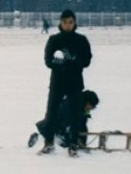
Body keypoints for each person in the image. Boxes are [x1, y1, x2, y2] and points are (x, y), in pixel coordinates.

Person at [35, 9, 92, 154]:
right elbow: (48, 61)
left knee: (75, 115)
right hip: (57, 83)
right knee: (51, 113)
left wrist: (73, 60)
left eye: (70, 22)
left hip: (74, 83)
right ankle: (49, 143)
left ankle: (73, 144)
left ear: (74, 23)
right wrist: (59, 62)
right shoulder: (54, 40)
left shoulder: (81, 40)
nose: (68, 25)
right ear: (61, 23)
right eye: (65, 22)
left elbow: (86, 61)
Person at [30, 90, 99, 155]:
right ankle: (37, 139)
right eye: (92, 106)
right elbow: (63, 124)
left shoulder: (83, 110)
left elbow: (82, 127)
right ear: (87, 102)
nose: (92, 109)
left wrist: (82, 145)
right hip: (53, 130)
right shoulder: (70, 106)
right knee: (59, 144)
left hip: (63, 131)